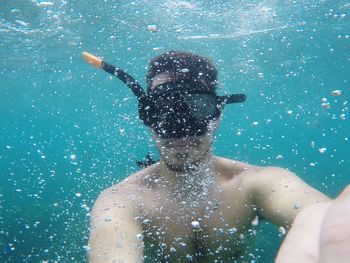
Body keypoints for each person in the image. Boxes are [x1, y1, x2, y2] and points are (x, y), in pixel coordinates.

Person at [84, 51, 346, 262]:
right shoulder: (122, 201)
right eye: (164, 109)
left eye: (197, 108)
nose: (180, 126)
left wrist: (332, 231)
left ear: (217, 115)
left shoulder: (255, 183)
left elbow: (318, 214)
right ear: (148, 118)